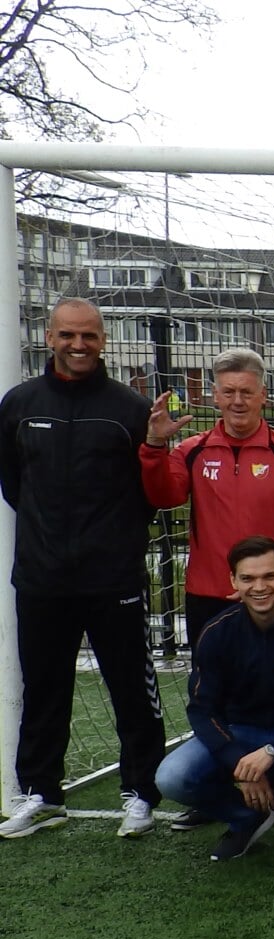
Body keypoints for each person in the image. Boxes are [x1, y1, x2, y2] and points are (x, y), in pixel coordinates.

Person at [0, 298, 167, 839]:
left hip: (113, 578)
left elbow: (149, 495)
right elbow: (13, 486)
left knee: (131, 690)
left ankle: (140, 793)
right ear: (49, 338)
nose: (79, 345)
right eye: (68, 335)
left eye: (89, 336)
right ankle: (41, 793)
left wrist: (108, 542)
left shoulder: (130, 409)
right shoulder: (19, 404)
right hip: (42, 579)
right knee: (44, 689)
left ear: (103, 341)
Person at [154, 537, 274, 861]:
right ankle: (246, 818)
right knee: (171, 777)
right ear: (233, 581)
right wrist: (239, 763)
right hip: (240, 733)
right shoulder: (217, 632)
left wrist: (272, 751)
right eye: (248, 578)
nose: (259, 587)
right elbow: (203, 710)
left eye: (269, 576)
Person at [141, 347, 274, 648]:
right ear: (215, 394)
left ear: (263, 394)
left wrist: (268, 579)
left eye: (247, 392)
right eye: (229, 392)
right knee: (212, 690)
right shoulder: (192, 450)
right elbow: (164, 497)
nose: (238, 401)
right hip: (210, 595)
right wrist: (156, 445)